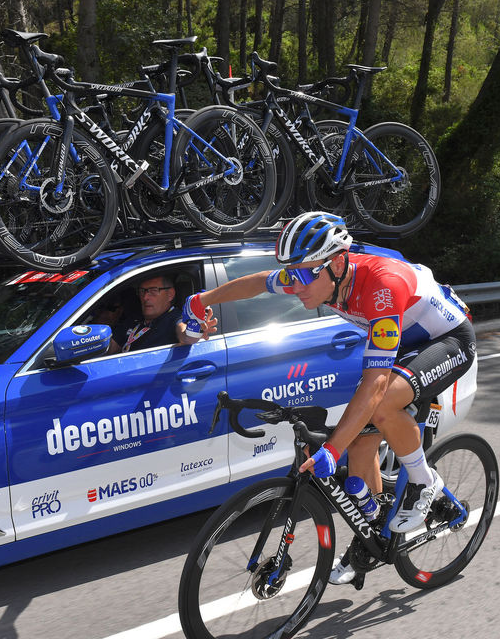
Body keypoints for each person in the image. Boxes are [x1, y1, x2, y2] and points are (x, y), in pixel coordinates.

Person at [182, 211, 475, 584]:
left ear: (337, 263)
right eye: (292, 274)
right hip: (404, 346)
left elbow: (376, 384)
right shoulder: (313, 274)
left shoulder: (382, 287)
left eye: (305, 275)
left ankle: (422, 481)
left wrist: (330, 450)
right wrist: (201, 299)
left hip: (447, 342)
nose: (297, 285)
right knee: (360, 445)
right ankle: (373, 537)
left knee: (381, 405)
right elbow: (256, 283)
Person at [107, 274, 215, 354]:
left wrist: (195, 328)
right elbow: (109, 349)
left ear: (170, 294)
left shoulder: (176, 318)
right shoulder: (134, 318)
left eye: (153, 291)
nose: (145, 297)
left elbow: (186, 337)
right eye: (142, 291)